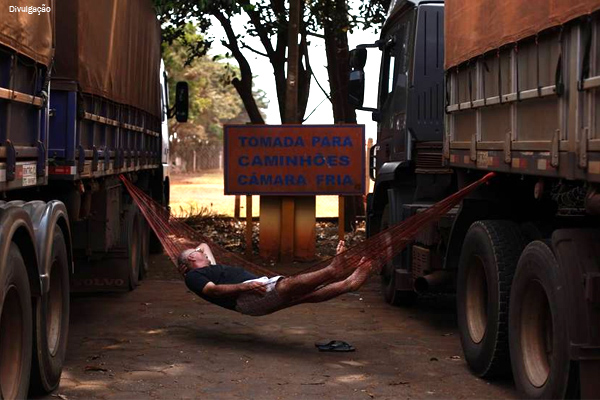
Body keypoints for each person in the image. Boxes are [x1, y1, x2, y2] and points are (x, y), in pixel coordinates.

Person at [178, 241, 374, 316]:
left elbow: (204, 245)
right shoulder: (194, 276)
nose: (201, 253)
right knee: (287, 285)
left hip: (250, 295)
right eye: (197, 254)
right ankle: (333, 270)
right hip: (246, 295)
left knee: (305, 295)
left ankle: (349, 283)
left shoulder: (208, 267)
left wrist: (192, 255)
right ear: (193, 259)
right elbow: (213, 290)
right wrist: (244, 288)